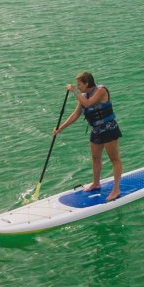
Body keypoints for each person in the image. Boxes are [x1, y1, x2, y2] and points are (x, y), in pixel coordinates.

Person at [54, 72, 123, 201]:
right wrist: (60, 128)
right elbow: (75, 115)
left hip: (109, 129)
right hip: (96, 131)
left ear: (86, 83)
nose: (78, 86)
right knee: (95, 158)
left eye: (79, 84)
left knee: (114, 159)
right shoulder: (84, 96)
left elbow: (88, 103)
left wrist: (74, 92)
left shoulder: (101, 91)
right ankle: (96, 183)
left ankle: (116, 189)